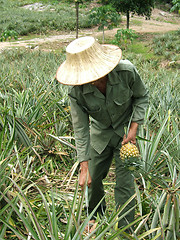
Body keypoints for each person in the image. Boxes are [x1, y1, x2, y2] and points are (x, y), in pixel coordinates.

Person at [56, 36, 149, 231]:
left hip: (126, 134)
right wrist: (83, 164)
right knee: (93, 178)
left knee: (125, 184)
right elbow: (81, 128)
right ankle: (94, 216)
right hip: (100, 134)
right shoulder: (77, 92)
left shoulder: (126, 71)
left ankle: (126, 229)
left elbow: (142, 97)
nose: (89, 80)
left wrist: (133, 129)